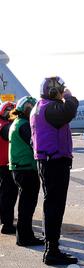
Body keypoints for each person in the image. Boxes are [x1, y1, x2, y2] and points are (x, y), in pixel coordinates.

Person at [30, 76, 79, 265]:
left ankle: (52, 248)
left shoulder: (39, 107)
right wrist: (70, 96)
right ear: (53, 91)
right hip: (55, 162)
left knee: (52, 205)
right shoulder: (50, 108)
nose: (62, 92)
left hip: (48, 160)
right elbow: (69, 111)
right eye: (60, 90)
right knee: (55, 206)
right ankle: (52, 251)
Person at [8, 96, 44, 246]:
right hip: (25, 169)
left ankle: (25, 235)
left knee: (25, 204)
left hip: (18, 168)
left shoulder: (16, 123)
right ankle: (24, 237)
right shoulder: (24, 125)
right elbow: (34, 144)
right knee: (27, 205)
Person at [0, 101, 18, 234]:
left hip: (3, 165)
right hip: (5, 166)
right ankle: (7, 224)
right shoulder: (6, 127)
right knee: (9, 195)